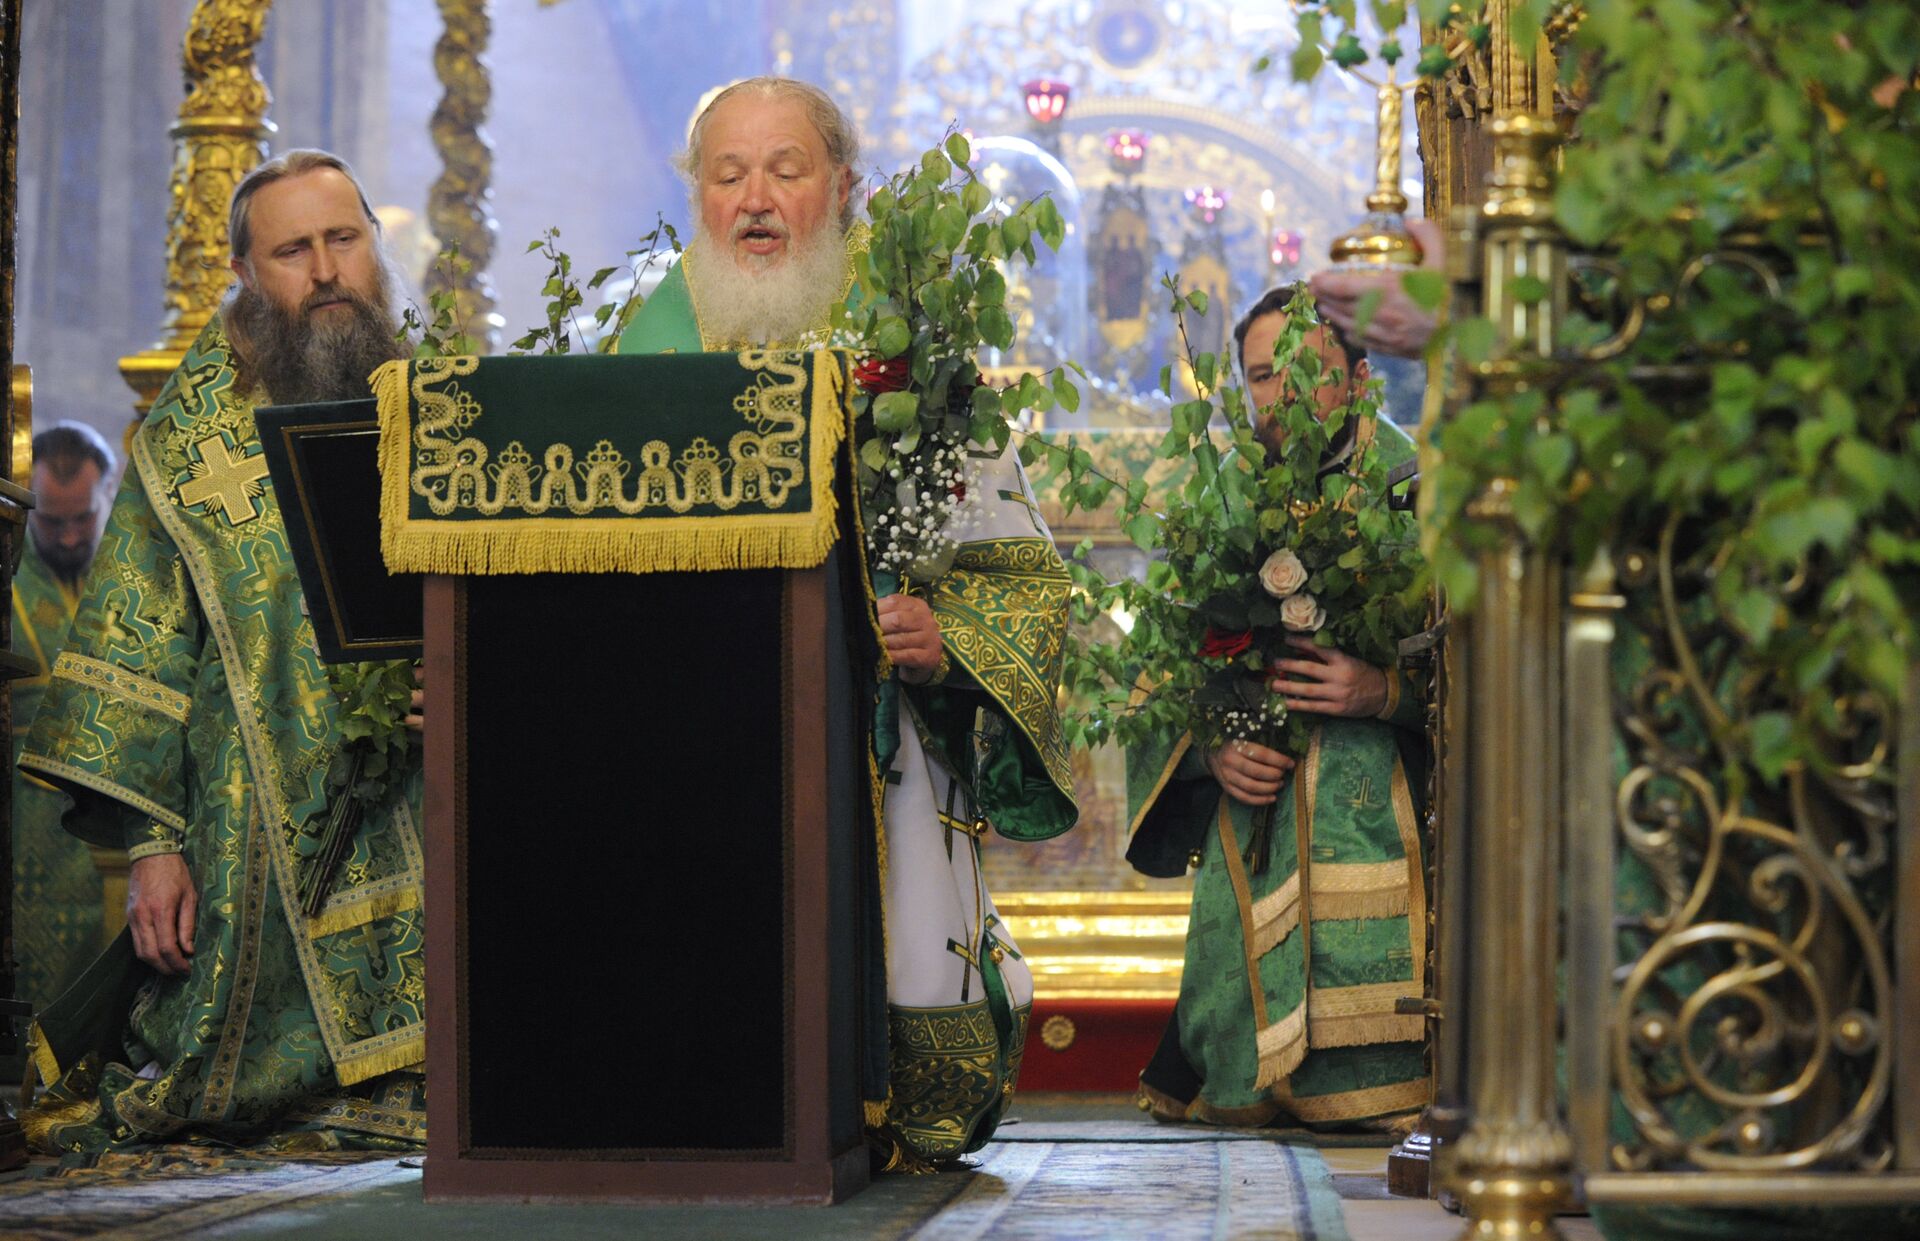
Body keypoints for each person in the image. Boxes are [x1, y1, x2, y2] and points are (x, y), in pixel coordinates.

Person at [621, 77, 1078, 1170]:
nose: (757, 199)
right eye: (728, 175)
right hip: (695, 721)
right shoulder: (648, 335)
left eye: (786, 169)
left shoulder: (912, 344)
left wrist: (944, 631)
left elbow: (1022, 571)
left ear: (845, 186)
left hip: (882, 734)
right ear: (699, 196)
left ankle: (892, 1106)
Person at [19, 149, 426, 1154]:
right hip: (250, 815)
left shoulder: (444, 399)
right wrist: (153, 846)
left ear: (375, 245)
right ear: (246, 272)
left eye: (345, 239)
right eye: (294, 249)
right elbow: (136, 654)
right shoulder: (188, 442)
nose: (327, 270)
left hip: (430, 778)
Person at [1127, 285, 1431, 1129]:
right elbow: (1160, 666)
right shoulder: (1218, 500)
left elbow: (1491, 670)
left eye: (1307, 370)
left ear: (1362, 379)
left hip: (1395, 800)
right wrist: (1213, 743)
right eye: (1262, 375)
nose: (1282, 394)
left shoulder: (1417, 489)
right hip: (1251, 813)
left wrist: (1385, 691)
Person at [11, 422, 116, 1013]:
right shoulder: (8, 576)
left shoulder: (133, 575)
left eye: (84, 518)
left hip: (112, 823)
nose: (72, 536)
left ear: (110, 492)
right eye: (52, 522)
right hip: (24, 830)